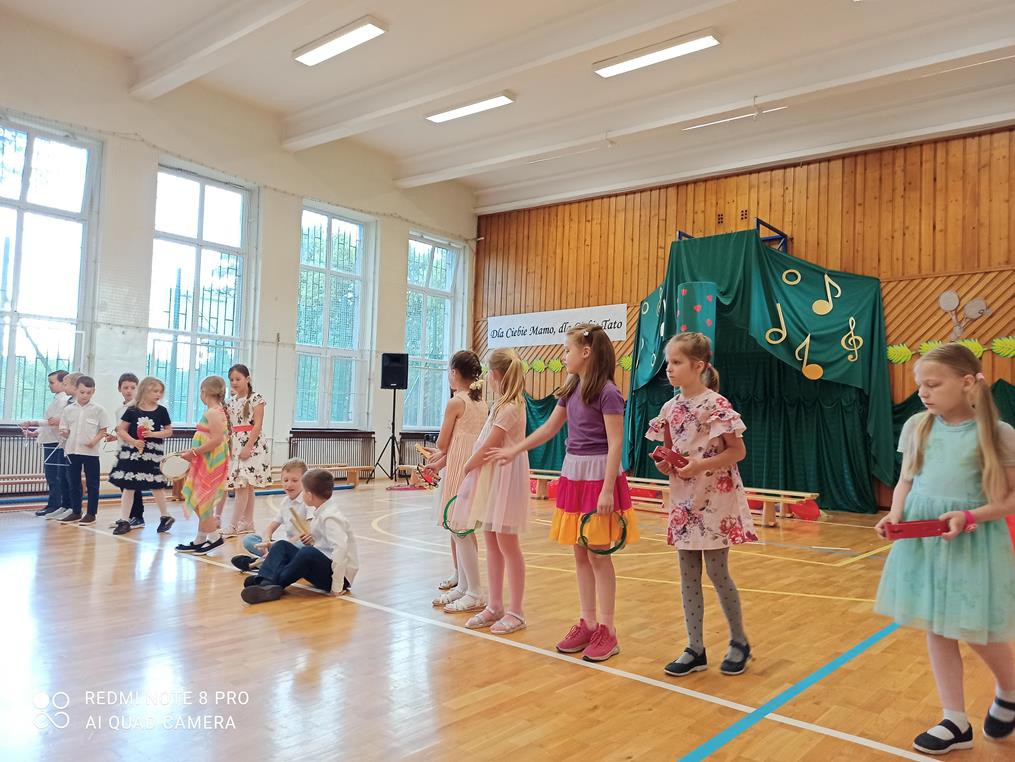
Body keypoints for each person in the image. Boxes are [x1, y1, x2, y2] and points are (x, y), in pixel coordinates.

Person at [874, 343, 1015, 754]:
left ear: (968, 382)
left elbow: (1011, 498)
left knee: (975, 628)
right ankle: (955, 719)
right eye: (920, 384)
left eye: (933, 384)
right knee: (936, 626)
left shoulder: (998, 434)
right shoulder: (917, 425)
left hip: (971, 541)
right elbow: (906, 480)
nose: (923, 392)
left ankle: (1009, 691)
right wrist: (895, 515)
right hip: (925, 541)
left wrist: (970, 516)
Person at [491, 324, 638, 662]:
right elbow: (549, 428)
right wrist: (515, 449)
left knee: (599, 555)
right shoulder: (570, 389)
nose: (563, 355)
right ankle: (587, 622)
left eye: (567, 349)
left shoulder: (608, 392)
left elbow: (616, 442)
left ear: (586, 352)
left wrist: (607, 490)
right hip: (574, 473)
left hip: (598, 474)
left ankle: (608, 629)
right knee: (580, 553)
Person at [646, 332, 757, 678]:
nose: (669, 368)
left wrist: (700, 466)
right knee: (687, 574)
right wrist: (665, 463)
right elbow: (670, 452)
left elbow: (737, 451)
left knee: (717, 572)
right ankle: (695, 648)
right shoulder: (669, 408)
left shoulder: (716, 405)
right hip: (684, 499)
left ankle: (739, 641)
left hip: (716, 499)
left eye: (676, 362)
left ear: (698, 366)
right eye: (668, 362)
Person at [444, 348, 529, 635]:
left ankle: (516, 611)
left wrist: (467, 466)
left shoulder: (511, 407)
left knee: (508, 544)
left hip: (505, 476)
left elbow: (489, 444)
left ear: (494, 375)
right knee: (491, 540)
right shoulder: (499, 405)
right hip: (493, 475)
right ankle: (494, 605)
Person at [241, 468, 359, 604]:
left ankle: (272, 584)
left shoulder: (331, 517)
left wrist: (337, 587)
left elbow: (340, 550)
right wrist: (312, 541)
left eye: (303, 491)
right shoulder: (321, 511)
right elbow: (323, 545)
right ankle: (265, 582)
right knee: (281, 545)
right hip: (326, 567)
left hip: (339, 578)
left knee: (307, 552)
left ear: (309, 495)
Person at [424, 350, 488, 593]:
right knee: (460, 525)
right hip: (470, 465)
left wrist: (440, 454)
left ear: (454, 372)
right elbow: (462, 443)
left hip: (459, 468)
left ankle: (467, 584)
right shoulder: (482, 403)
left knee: (457, 525)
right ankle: (460, 575)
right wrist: (440, 462)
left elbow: (443, 443)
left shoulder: (456, 402)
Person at [109, 376, 176, 535]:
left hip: (152, 454)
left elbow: (169, 431)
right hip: (133, 453)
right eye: (154, 391)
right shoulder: (132, 410)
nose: (158, 394)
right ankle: (124, 519)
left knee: (156, 486)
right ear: (145, 391)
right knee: (129, 487)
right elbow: (121, 430)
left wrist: (154, 434)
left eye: (160, 392)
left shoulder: (161, 411)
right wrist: (133, 441)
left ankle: (165, 516)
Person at [175, 376, 229, 555]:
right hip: (207, 459)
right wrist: (193, 451)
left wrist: (194, 453)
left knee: (201, 499)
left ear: (204, 392)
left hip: (210, 462)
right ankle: (201, 538)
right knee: (200, 499)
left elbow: (217, 439)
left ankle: (214, 537)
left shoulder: (213, 412)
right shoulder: (216, 411)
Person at [231, 458, 309, 571]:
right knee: (249, 539)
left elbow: (307, 533)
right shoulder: (285, 502)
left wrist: (281, 545)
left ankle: (262, 562)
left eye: (294, 480)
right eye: (285, 480)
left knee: (302, 547)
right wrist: (266, 540)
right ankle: (273, 560)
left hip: (301, 545)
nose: (289, 484)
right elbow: (270, 527)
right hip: (285, 547)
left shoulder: (308, 501)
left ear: (305, 481)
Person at [220, 364, 271, 536]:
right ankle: (248, 523)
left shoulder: (256, 399)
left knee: (242, 484)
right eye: (231, 380)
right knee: (246, 486)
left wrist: (248, 447)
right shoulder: (231, 402)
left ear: (247, 379)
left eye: (238, 379)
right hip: (236, 444)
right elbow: (228, 426)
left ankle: (233, 525)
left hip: (253, 444)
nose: (234, 382)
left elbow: (258, 425)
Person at [58, 375, 111, 525]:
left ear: (93, 392)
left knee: (92, 484)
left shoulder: (99, 410)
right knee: (73, 482)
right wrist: (64, 433)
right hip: (72, 451)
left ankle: (91, 514)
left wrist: (94, 441)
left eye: (89, 393)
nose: (85, 395)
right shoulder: (68, 410)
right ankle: (76, 512)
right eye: (82, 392)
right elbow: (65, 429)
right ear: (76, 390)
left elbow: (103, 430)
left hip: (91, 453)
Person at [20, 370, 69, 518]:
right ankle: (54, 504)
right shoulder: (56, 400)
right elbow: (48, 422)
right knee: (51, 476)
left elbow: (54, 422)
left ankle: (56, 505)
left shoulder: (64, 400)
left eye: (52, 382)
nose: (49, 385)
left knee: (55, 476)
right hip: (50, 441)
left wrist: (32, 422)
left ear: (63, 383)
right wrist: (34, 432)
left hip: (56, 442)